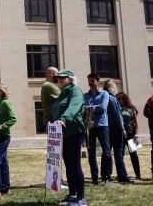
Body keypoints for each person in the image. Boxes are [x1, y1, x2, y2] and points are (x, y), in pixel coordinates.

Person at [51, 69, 87, 206]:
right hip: (63, 134)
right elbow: (56, 109)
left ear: (70, 79)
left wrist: (63, 118)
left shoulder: (75, 90)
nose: (60, 79)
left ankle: (81, 198)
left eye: (63, 77)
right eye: (59, 77)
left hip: (74, 132)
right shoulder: (62, 93)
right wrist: (50, 121)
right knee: (68, 164)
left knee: (75, 165)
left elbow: (74, 106)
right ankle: (72, 194)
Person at [84, 73, 112, 186]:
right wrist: (89, 108)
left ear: (98, 82)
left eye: (92, 80)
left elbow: (103, 107)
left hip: (102, 126)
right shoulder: (85, 95)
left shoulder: (104, 94)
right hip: (90, 127)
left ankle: (107, 177)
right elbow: (82, 108)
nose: (90, 82)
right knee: (91, 154)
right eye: (89, 81)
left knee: (107, 152)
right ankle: (94, 178)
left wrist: (90, 107)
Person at [103, 80, 131, 183]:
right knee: (118, 153)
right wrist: (122, 128)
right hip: (115, 127)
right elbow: (117, 115)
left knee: (107, 152)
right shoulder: (112, 99)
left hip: (106, 127)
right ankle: (122, 176)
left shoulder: (103, 97)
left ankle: (106, 174)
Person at [116, 92, 142, 180]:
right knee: (120, 154)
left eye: (119, 99)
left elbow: (136, 122)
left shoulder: (132, 109)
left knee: (133, 154)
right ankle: (121, 173)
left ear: (124, 99)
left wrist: (136, 133)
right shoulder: (117, 108)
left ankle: (138, 174)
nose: (117, 101)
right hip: (120, 134)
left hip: (131, 134)